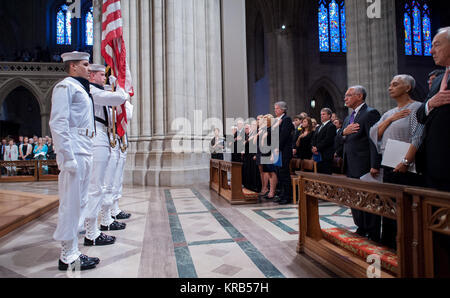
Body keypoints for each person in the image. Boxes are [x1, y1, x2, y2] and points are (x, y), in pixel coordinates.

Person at [49, 51, 100, 271]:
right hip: (74, 150)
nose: (89, 68)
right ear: (73, 67)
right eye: (85, 64)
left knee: (80, 203)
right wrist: (66, 156)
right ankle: (67, 255)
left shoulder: (81, 88)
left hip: (85, 148)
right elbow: (58, 123)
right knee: (70, 203)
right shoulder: (65, 87)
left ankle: (73, 250)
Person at [369, 75, 425, 249]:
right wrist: (390, 120)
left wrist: (406, 161)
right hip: (388, 162)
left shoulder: (417, 108)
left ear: (407, 88)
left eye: (395, 84)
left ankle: (406, 245)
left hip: (406, 165)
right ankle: (389, 243)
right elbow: (374, 133)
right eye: (389, 84)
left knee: (405, 208)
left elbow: (418, 136)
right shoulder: (389, 112)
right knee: (389, 206)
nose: (390, 88)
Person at [81, 64, 130, 247]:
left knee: (105, 183)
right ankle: (91, 232)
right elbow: (117, 97)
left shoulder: (99, 91)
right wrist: (121, 86)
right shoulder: (92, 90)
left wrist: (120, 90)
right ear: (92, 76)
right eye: (102, 75)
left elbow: (127, 112)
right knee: (96, 186)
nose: (105, 78)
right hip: (96, 137)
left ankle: (102, 222)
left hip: (105, 136)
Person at [336, 86, 382, 242]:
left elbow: (374, 140)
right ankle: (361, 226)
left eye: (348, 95)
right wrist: (343, 132)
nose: (345, 98)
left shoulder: (370, 113)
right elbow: (338, 140)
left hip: (364, 164)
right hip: (350, 163)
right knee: (354, 197)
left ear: (360, 96)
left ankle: (373, 231)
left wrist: (375, 164)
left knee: (368, 198)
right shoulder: (350, 117)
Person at [416, 27, 450, 192]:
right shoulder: (437, 82)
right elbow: (420, 115)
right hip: (433, 164)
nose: (431, 51)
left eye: (437, 45)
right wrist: (431, 104)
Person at [273, 101, 295, 205]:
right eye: (275, 108)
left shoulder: (286, 119)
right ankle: (282, 194)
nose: (275, 110)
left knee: (284, 174)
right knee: (279, 173)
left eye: (277, 108)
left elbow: (284, 136)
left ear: (282, 109)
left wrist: (278, 147)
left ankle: (287, 196)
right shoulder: (278, 120)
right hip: (277, 151)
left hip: (283, 151)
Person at [311, 108, 337, 175]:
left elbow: (328, 140)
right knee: (319, 175)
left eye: (323, 114)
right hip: (317, 154)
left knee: (326, 175)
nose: (321, 116)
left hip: (326, 155)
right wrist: (313, 147)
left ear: (329, 116)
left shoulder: (331, 126)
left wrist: (317, 147)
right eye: (321, 114)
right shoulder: (318, 127)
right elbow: (314, 138)